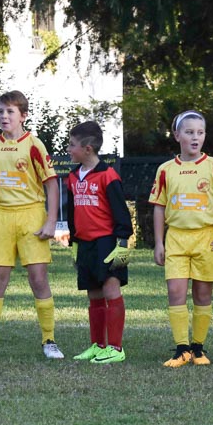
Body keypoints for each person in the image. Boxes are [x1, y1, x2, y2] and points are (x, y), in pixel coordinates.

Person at [0, 90, 63, 360]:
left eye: (10, 111)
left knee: (38, 279)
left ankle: (49, 340)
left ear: (23, 115)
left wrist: (51, 221)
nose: (4, 116)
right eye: (0, 111)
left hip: (31, 214)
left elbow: (51, 183)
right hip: (2, 216)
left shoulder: (34, 144)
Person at [149, 110, 213, 367]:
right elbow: (159, 206)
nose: (195, 138)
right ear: (177, 136)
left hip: (206, 238)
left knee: (203, 294)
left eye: (200, 132)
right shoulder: (165, 170)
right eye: (189, 132)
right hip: (176, 238)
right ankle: (181, 349)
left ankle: (198, 348)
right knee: (175, 292)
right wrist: (159, 242)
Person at [66, 121, 133, 365]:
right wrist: (74, 241)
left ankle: (115, 348)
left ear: (88, 149)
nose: (68, 149)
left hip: (107, 242)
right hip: (85, 244)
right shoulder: (73, 177)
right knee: (93, 293)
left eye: (72, 145)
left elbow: (121, 212)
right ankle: (98, 345)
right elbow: (72, 212)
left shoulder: (108, 175)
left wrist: (122, 243)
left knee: (110, 291)